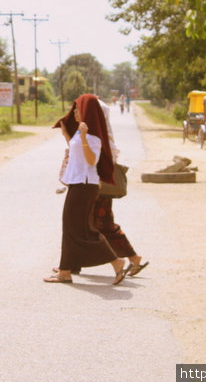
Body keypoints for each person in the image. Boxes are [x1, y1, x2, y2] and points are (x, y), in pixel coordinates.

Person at [45, 94, 127, 285]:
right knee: (74, 226)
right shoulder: (81, 134)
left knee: (77, 227)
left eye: (78, 109)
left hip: (84, 185)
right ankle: (65, 270)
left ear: (87, 112)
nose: (74, 112)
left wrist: (82, 136)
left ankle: (115, 261)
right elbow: (77, 155)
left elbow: (91, 161)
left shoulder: (92, 136)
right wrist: (68, 134)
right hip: (78, 184)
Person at [93, 98, 148, 276]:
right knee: (93, 224)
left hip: (100, 187)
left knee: (102, 224)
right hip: (97, 185)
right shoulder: (102, 134)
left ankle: (132, 257)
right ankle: (72, 264)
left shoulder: (101, 136)